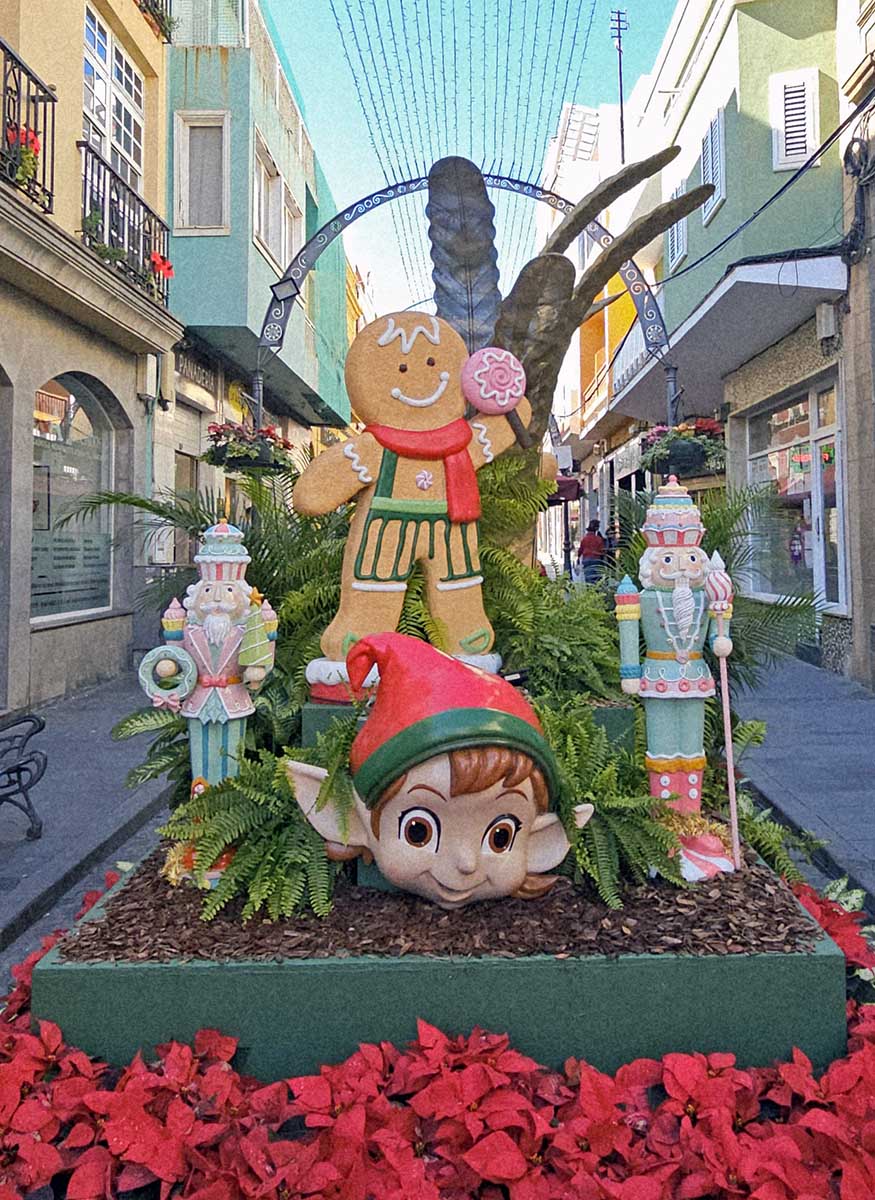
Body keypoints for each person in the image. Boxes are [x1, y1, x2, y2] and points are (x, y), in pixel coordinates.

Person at [576, 519, 606, 584]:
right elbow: (602, 550)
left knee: (588, 577)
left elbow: (580, 550)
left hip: (586, 559)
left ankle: (590, 589)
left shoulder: (584, 539)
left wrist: (578, 557)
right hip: (596, 559)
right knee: (597, 578)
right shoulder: (598, 539)